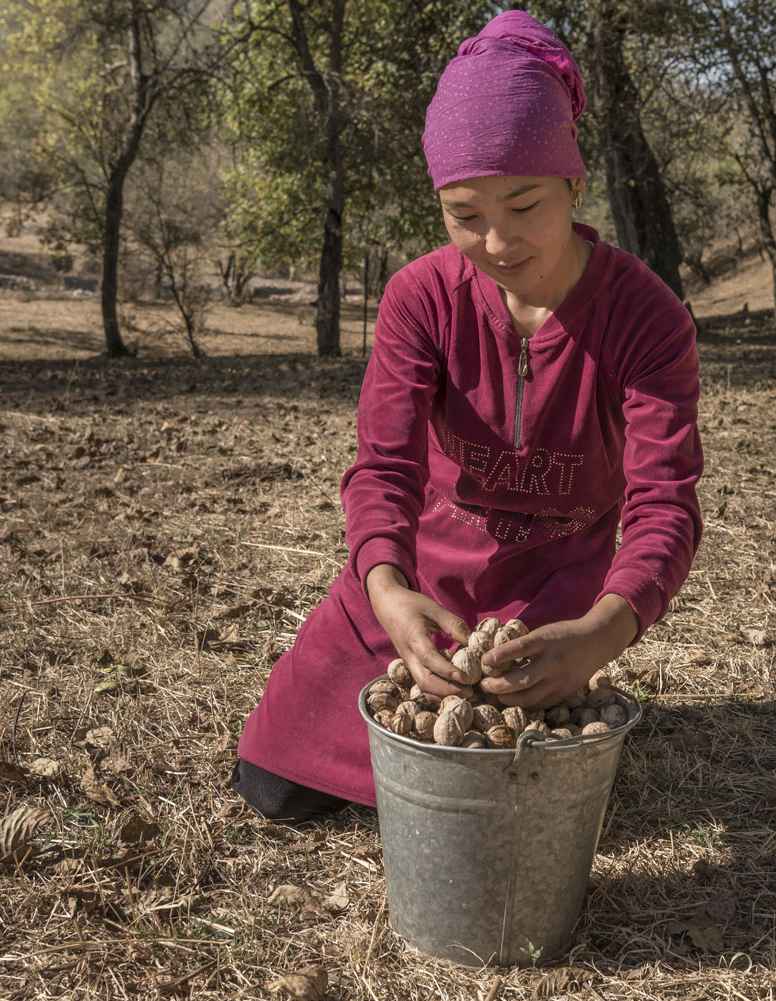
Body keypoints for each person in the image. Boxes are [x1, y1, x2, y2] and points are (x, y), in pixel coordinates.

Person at [231, 10, 703, 821]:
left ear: (574, 184)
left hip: (547, 610)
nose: (496, 240)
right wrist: (385, 589)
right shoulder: (420, 299)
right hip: (420, 590)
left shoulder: (646, 318)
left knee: (521, 806)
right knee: (271, 789)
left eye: (524, 204)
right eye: (463, 212)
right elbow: (383, 469)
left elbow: (665, 507)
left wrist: (601, 632)